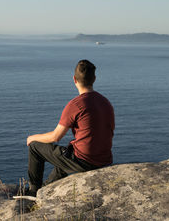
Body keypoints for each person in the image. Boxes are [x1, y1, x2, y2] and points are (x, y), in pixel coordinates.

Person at [26, 59, 115, 196]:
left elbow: (55, 137)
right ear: (94, 79)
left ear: (74, 79)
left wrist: (32, 137)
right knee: (64, 157)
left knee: (35, 147)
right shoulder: (105, 102)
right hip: (104, 160)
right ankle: (44, 190)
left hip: (84, 161)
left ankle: (32, 190)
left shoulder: (76, 104)